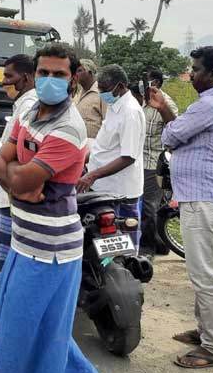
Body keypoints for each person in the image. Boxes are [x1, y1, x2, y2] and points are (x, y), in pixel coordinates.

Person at [0, 43, 107, 373]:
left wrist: (17, 179)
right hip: (23, 239)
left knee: (17, 334)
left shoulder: (70, 128)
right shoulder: (29, 112)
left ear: (73, 80)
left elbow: (19, 178)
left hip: (51, 250)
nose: (50, 80)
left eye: (59, 74)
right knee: (42, 326)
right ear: (33, 75)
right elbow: (1, 166)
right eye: (44, 73)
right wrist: (17, 182)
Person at [150, 46, 213, 369]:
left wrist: (162, 108)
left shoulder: (212, 105)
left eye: (195, 69)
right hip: (204, 197)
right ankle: (205, 333)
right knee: (204, 272)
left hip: (206, 199)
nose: (191, 75)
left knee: (204, 276)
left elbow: (171, 136)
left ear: (212, 74)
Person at [0, 54, 37, 354]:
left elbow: (17, 156)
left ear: (26, 78)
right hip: (7, 199)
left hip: (10, 203)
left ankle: (2, 342)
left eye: (9, 78)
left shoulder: (29, 106)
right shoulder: (22, 105)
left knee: (1, 274)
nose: (3, 83)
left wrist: (5, 175)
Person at [77, 64, 146, 250]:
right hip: (104, 187)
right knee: (106, 244)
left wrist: (93, 175)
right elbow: (106, 143)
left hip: (121, 191)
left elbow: (128, 156)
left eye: (105, 89)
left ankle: (127, 275)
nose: (101, 93)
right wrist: (84, 160)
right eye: (100, 88)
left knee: (124, 243)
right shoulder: (116, 106)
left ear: (120, 86)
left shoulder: (130, 112)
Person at [141, 68, 179, 256]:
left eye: (145, 80)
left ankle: (148, 247)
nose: (142, 84)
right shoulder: (144, 103)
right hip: (142, 160)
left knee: (150, 205)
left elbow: (174, 130)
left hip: (154, 162)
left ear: (155, 83)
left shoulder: (166, 104)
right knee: (150, 204)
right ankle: (160, 243)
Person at [73, 58, 107, 142]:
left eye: (79, 71)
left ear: (90, 73)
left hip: (97, 146)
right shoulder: (78, 94)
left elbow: (108, 122)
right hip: (80, 144)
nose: (76, 74)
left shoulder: (102, 93)